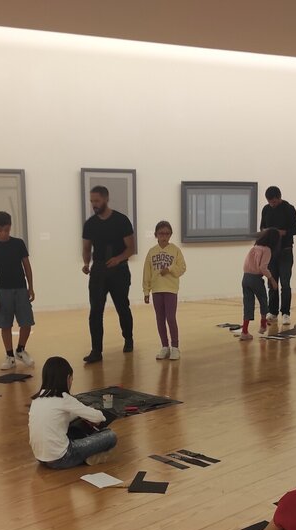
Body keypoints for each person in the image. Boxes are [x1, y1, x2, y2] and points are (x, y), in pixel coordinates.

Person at [29, 356, 117, 468]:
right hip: (62, 458)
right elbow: (99, 417)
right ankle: (88, 456)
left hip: (40, 457)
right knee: (110, 435)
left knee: (68, 427)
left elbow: (60, 417)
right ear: (67, 378)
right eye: (71, 379)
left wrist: (78, 414)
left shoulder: (37, 399)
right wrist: (87, 414)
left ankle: (85, 455)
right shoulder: (64, 398)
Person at [81, 186, 135, 364]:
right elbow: (86, 248)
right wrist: (86, 264)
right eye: (92, 201)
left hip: (119, 270)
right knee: (95, 311)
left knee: (122, 307)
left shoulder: (121, 220)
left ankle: (128, 338)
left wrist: (118, 259)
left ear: (106, 199)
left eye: (97, 200)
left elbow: (131, 248)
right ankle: (96, 351)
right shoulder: (90, 224)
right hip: (98, 271)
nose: (94, 204)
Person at [0, 211, 36, 371]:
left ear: (10, 227)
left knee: (27, 322)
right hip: (2, 291)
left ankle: (20, 350)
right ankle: (9, 356)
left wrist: (30, 287)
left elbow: (27, 267)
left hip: (20, 289)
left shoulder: (18, 244)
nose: (3, 233)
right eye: (0, 230)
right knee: (5, 325)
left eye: (6, 230)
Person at [142, 220, 187, 360]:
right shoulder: (152, 252)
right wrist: (146, 291)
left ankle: (175, 347)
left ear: (171, 234)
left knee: (171, 318)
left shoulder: (175, 250)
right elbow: (147, 272)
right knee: (160, 319)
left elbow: (182, 268)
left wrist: (170, 269)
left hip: (170, 289)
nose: (164, 236)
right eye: (161, 233)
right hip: (156, 290)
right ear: (156, 235)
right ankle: (164, 346)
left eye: (167, 233)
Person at [259, 186, 296, 326]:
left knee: (285, 283)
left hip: (285, 250)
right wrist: (266, 231)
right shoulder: (266, 209)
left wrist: (283, 232)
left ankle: (286, 313)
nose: (272, 204)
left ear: (279, 197)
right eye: (270, 202)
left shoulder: (289, 209)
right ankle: (273, 312)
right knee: (272, 282)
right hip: (270, 251)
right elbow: (262, 226)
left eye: (274, 202)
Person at [239, 230, 279, 340]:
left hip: (245, 278)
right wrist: (272, 279)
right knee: (263, 300)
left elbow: (246, 263)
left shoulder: (255, 247)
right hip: (256, 279)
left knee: (248, 304)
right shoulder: (267, 250)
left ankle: (244, 331)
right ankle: (263, 324)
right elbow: (263, 267)